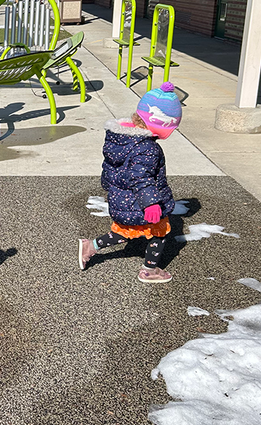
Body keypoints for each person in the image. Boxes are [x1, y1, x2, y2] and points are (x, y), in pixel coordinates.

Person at [78, 82, 183, 284]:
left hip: (122, 198)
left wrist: (111, 189)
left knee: (124, 232)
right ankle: (149, 270)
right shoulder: (148, 149)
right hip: (142, 202)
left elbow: (110, 168)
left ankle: (91, 246)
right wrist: (151, 203)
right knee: (159, 232)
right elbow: (141, 177)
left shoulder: (120, 139)